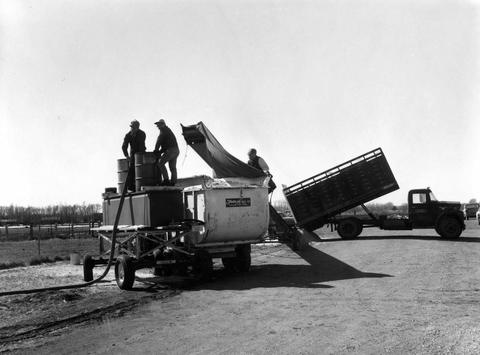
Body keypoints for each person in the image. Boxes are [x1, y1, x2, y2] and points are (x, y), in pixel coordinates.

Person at [121, 120, 146, 191]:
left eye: (135, 127)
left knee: (142, 170)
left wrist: (141, 154)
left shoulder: (142, 134)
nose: (133, 129)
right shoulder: (128, 135)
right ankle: (131, 187)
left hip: (141, 153)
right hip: (133, 155)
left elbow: (142, 145)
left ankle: (140, 185)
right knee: (131, 170)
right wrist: (127, 156)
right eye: (132, 127)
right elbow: (124, 146)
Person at [154, 119, 179, 186]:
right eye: (157, 125)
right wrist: (160, 151)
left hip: (171, 150)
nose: (158, 127)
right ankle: (173, 182)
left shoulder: (163, 131)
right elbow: (166, 144)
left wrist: (156, 150)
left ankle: (166, 180)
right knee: (172, 167)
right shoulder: (168, 130)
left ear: (163, 124)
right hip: (176, 150)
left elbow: (158, 141)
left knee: (160, 163)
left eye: (159, 125)